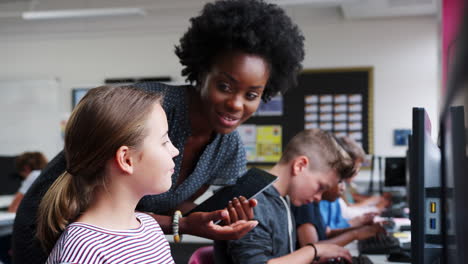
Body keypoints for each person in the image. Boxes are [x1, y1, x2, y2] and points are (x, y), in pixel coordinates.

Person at [12, 1, 305, 263]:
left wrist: (208, 218)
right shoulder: (147, 110)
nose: (236, 104)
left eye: (251, 95)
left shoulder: (228, 147)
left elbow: (172, 200)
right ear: (202, 72)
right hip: (50, 234)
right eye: (224, 86)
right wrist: (182, 224)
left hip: (126, 243)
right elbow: (91, 198)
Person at [35, 85, 180, 263]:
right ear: (126, 159)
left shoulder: (150, 228)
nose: (175, 151)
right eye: (164, 141)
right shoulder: (83, 247)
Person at [216, 129, 356, 264]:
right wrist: (314, 250)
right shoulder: (254, 202)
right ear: (300, 166)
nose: (319, 197)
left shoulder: (281, 199)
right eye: (320, 187)